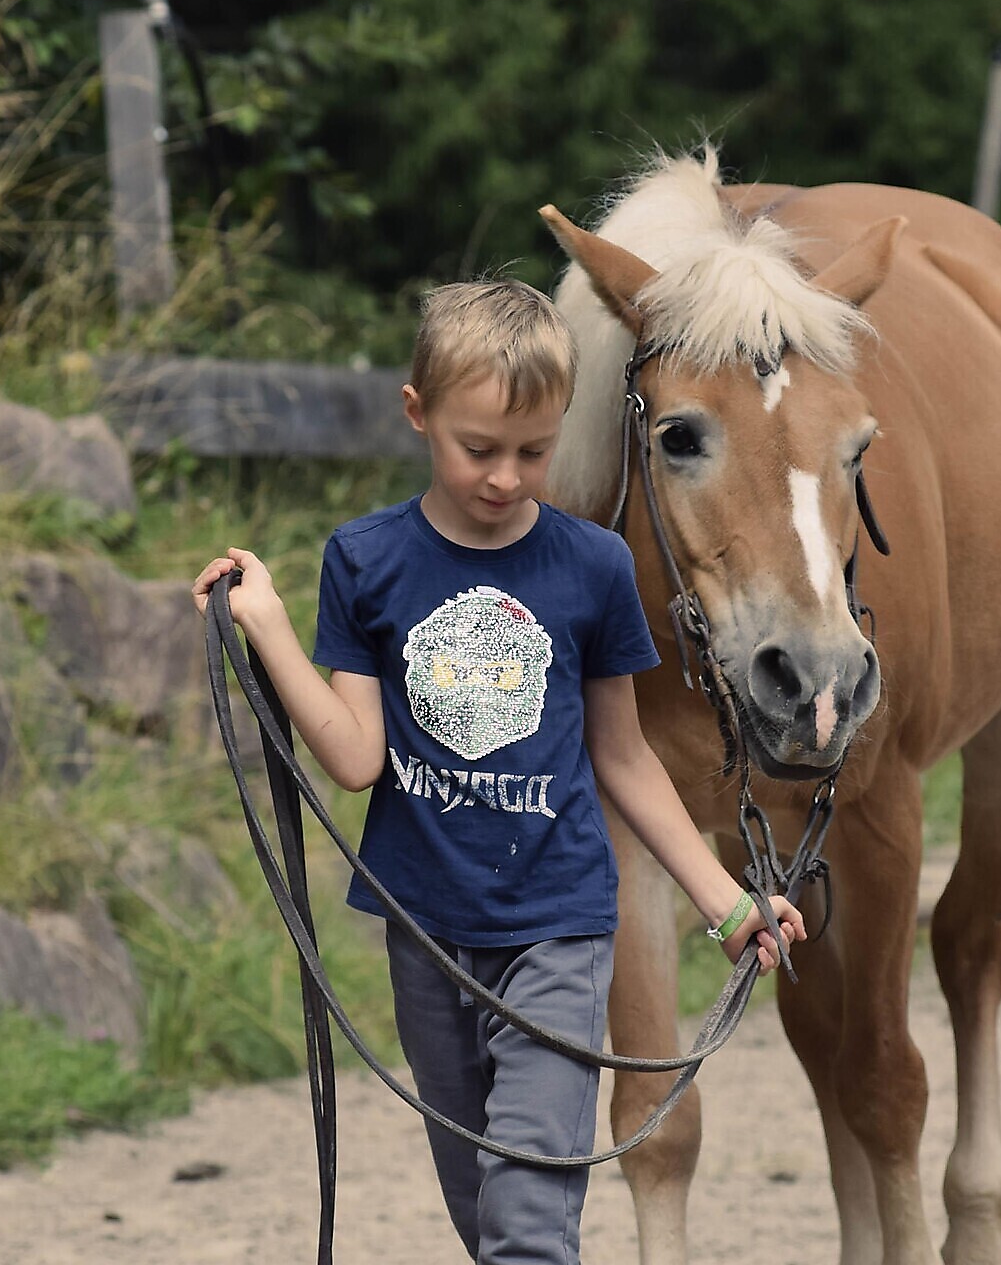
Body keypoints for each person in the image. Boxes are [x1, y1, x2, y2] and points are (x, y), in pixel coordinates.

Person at [192, 279, 804, 1265]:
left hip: (556, 932)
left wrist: (727, 903)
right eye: (478, 448)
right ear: (418, 414)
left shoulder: (592, 567)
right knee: (489, 1217)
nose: (506, 477)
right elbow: (353, 758)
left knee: (525, 1229)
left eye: (533, 450)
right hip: (427, 938)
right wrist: (265, 628)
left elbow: (623, 755)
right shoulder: (367, 561)